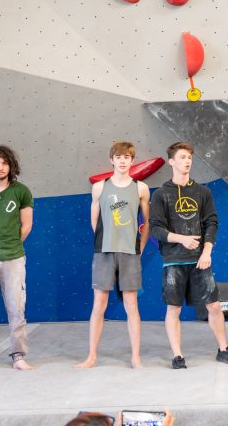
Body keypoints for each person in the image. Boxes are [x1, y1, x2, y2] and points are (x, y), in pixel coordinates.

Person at [149, 142, 228, 368]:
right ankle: (178, 356)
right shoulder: (162, 194)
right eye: (182, 157)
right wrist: (181, 239)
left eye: (190, 157)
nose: (187, 161)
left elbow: (211, 222)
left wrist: (207, 251)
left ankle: (223, 349)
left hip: (201, 261)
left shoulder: (202, 192)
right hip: (173, 261)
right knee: (174, 308)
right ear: (171, 161)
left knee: (214, 306)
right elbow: (156, 229)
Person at [75, 142, 151, 369]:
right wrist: (106, 241)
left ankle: (135, 357)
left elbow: (146, 222)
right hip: (104, 252)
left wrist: (141, 247)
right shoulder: (99, 188)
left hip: (130, 253)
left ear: (132, 160)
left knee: (131, 305)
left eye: (127, 157)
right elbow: (94, 221)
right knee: (99, 303)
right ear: (112, 160)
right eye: (118, 156)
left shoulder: (141, 189)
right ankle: (91, 356)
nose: (122, 160)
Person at [0, 145, 34, 370]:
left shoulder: (21, 191)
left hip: (13, 257)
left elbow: (27, 225)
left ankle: (18, 356)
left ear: (11, 165)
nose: (0, 167)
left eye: (4, 163)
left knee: (16, 308)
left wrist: (9, 245)